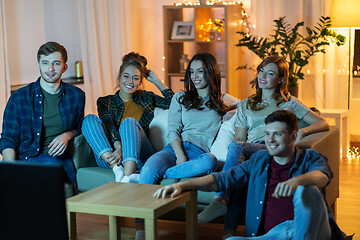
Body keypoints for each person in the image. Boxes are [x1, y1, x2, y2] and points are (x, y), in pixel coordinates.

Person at [154, 110, 350, 240]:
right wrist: (182, 186)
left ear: (293, 136)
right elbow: (222, 178)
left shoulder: (309, 158)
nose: (270, 140)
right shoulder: (259, 161)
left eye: (277, 134)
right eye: (267, 134)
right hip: (270, 237)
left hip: (315, 233)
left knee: (306, 192)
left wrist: (298, 181)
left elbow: (322, 176)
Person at [198, 55, 330, 224]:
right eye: (261, 71)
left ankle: (220, 199)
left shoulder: (289, 103)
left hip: (273, 149)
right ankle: (229, 232)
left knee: (237, 150)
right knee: (238, 162)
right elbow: (239, 138)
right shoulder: (246, 104)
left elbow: (323, 123)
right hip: (251, 152)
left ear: (280, 79)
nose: (262, 76)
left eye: (269, 73)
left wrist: (303, 131)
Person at [135, 52, 239, 240]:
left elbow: (247, 106)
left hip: (200, 155)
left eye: (201, 71)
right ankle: (141, 229)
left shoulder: (223, 100)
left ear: (211, 72)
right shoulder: (181, 98)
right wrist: (179, 154)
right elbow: (173, 130)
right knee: (150, 167)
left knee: (211, 161)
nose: (196, 76)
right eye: (192, 72)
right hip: (174, 149)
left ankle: (161, 173)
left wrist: (231, 114)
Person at [0, 41, 85, 187]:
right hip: (27, 157)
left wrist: (67, 135)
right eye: (45, 63)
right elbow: (8, 138)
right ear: (38, 65)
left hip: (59, 159)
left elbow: (80, 126)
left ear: (64, 67)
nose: (50, 68)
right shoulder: (20, 98)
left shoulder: (76, 96)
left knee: (51, 166)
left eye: (56, 63)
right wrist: (10, 170)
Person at [81, 52, 174, 183]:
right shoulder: (105, 101)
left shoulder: (147, 98)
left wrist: (157, 81)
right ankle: (118, 172)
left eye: (136, 78)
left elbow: (175, 104)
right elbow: (110, 126)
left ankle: (127, 177)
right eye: (126, 76)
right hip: (112, 158)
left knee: (128, 122)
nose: (130, 82)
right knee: (89, 119)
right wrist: (118, 148)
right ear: (119, 77)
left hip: (139, 157)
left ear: (141, 81)